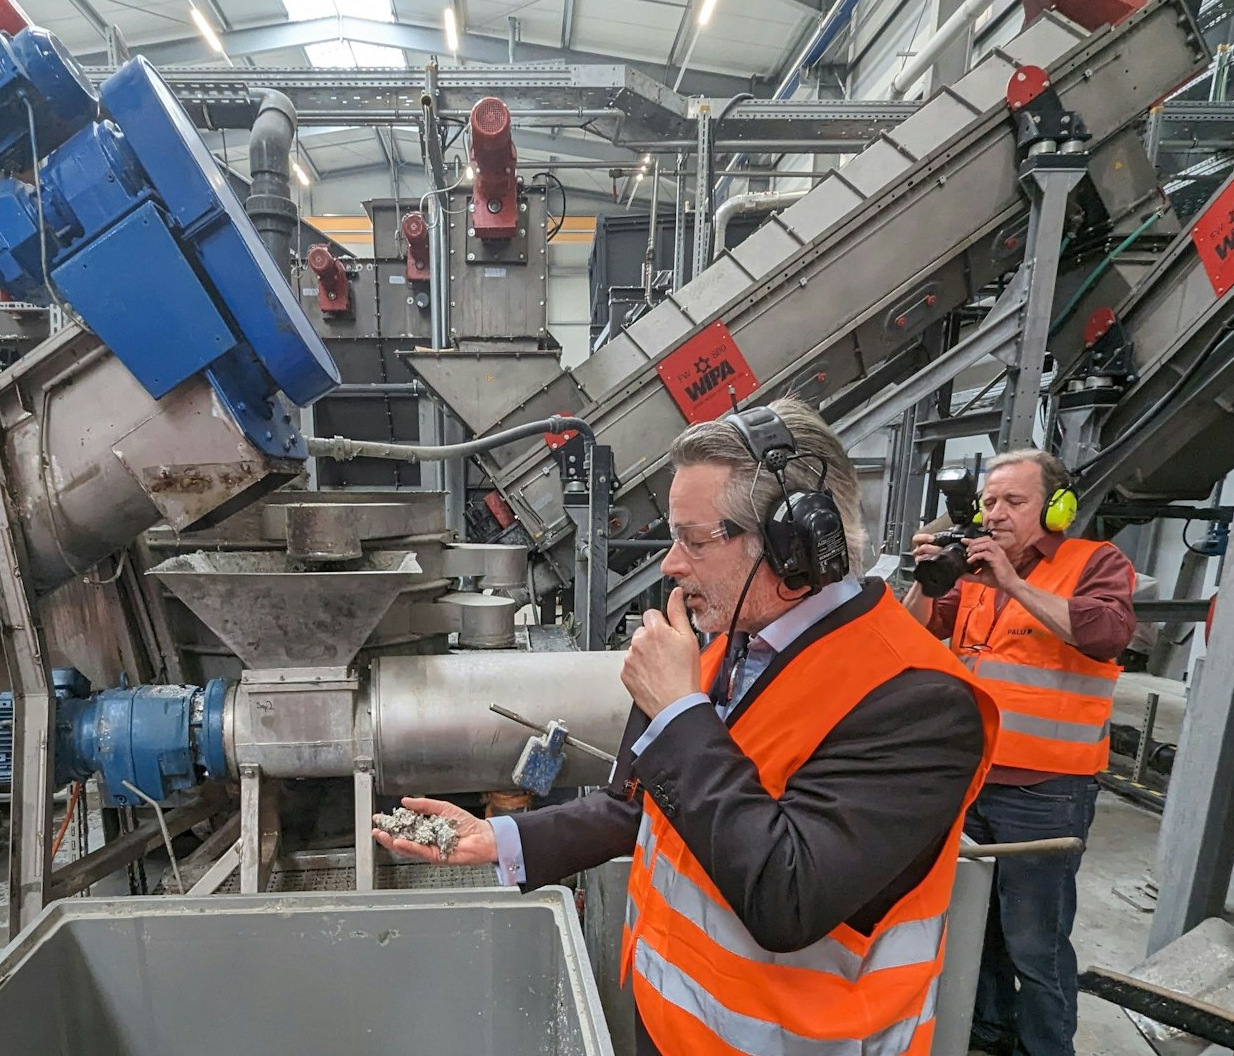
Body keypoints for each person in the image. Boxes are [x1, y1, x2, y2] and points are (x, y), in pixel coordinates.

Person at [378, 398, 997, 1056]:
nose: (671, 564)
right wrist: (498, 839)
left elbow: (788, 895)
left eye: (694, 540)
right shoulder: (724, 644)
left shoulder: (920, 701)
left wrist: (678, 713)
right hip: (669, 1026)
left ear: (794, 544)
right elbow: (638, 808)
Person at [904, 448, 1137, 1056]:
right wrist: (927, 579)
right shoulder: (974, 571)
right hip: (972, 780)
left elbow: (1107, 634)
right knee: (975, 929)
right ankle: (989, 1034)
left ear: (1055, 508)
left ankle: (1046, 1048)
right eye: (989, 502)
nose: (997, 514)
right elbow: (912, 632)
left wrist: (1010, 580)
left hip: (1047, 789)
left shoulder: (1094, 563)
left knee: (1035, 942)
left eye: (1015, 501)